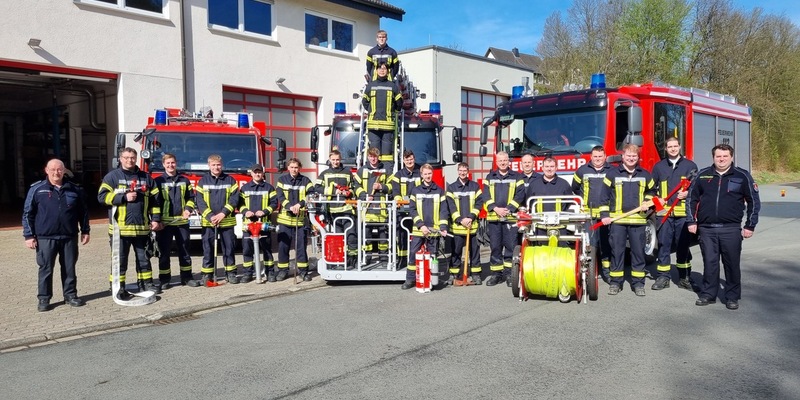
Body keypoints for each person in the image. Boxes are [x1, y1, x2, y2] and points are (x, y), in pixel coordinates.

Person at [687, 144, 760, 310]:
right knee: (710, 263)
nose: (721, 159)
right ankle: (708, 294)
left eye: (725, 156)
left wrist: (750, 225)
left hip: (731, 229)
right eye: (718, 156)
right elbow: (691, 199)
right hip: (707, 229)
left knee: (732, 264)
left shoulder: (742, 176)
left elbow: (754, 202)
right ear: (713, 157)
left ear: (732, 157)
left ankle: (732, 296)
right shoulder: (703, 175)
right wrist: (691, 221)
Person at [23, 159, 90, 311]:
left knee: (69, 268)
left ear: (64, 170)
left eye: (59, 169)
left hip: (69, 236)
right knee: (45, 269)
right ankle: (44, 299)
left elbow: (83, 212)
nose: (56, 172)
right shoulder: (37, 189)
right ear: (46, 170)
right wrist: (28, 235)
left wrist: (85, 230)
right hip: (45, 237)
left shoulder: (74, 189)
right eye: (52, 169)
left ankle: (70, 295)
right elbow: (28, 214)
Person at [98, 148, 162, 297]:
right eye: (126, 158)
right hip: (120, 230)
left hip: (142, 229)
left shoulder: (146, 178)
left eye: (132, 157)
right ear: (120, 159)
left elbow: (156, 202)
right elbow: (101, 197)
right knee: (120, 262)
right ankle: (117, 287)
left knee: (144, 260)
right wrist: (123, 198)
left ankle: (146, 285)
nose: (130, 160)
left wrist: (156, 219)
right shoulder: (112, 177)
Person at [600, 144, 656, 297]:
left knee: (638, 253)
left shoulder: (645, 174)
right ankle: (616, 282)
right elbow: (603, 197)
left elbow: (652, 191)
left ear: (638, 158)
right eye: (628, 156)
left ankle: (638, 284)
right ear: (623, 157)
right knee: (617, 252)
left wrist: (647, 200)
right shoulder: (612, 174)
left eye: (634, 156)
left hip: (638, 220)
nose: (631, 158)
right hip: (618, 221)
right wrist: (605, 215)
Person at [650, 137, 698, 291]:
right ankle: (663, 277)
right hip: (664, 214)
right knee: (663, 245)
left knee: (683, 245)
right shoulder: (658, 167)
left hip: (684, 214)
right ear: (665, 148)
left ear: (679, 147)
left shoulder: (690, 166)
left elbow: (698, 189)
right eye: (669, 146)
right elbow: (650, 190)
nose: (672, 149)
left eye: (675, 146)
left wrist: (688, 193)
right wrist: (658, 201)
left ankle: (684, 277)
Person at [154, 153, 200, 289]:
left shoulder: (184, 181)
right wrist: (157, 220)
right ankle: (164, 279)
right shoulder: (158, 181)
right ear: (163, 165)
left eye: (172, 162)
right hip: (165, 224)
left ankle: (186, 277)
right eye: (167, 163)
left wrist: (187, 209)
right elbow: (155, 202)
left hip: (182, 223)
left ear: (176, 163)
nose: (170, 165)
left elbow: (192, 198)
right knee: (164, 252)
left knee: (185, 251)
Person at [403, 163, 449, 290]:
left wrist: (443, 227)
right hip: (419, 230)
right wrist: (421, 225)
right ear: (421, 175)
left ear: (432, 174)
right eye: (425, 174)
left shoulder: (439, 191)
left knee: (432, 256)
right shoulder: (415, 191)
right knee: (413, 253)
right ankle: (410, 279)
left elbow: (443, 211)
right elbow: (412, 210)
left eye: (430, 174)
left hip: (433, 230)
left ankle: (432, 280)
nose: (428, 176)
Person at [196, 154, 241, 284]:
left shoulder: (230, 180)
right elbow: (199, 201)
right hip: (209, 223)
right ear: (209, 165)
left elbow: (234, 199)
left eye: (218, 165)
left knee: (229, 248)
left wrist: (223, 214)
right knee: (208, 249)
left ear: (222, 165)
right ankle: (207, 274)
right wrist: (211, 216)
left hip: (226, 221)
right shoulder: (203, 181)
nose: (216, 167)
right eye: (214, 165)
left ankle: (230, 272)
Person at [483, 151, 526, 286]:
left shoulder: (517, 177)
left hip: (510, 218)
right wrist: (496, 209)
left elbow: (520, 195)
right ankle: (496, 274)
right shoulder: (489, 177)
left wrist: (508, 209)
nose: (503, 163)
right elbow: (485, 195)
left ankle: (509, 274)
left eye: (505, 160)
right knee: (495, 246)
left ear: (509, 161)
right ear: (496, 162)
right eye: (500, 160)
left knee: (510, 246)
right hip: (494, 218)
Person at [572, 146, 613, 279]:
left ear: (605, 157)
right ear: (591, 157)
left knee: (606, 243)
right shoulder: (582, 170)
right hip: (588, 214)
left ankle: (606, 271)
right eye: (595, 156)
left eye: (600, 156)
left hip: (605, 214)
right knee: (590, 243)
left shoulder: (612, 170)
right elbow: (575, 188)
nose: (598, 159)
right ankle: (591, 270)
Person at [314, 150, 357, 269]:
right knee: (338, 236)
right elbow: (317, 188)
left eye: (337, 159)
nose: (335, 162)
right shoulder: (324, 173)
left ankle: (352, 260)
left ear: (340, 159)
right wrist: (333, 191)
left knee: (351, 235)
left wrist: (349, 192)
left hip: (348, 209)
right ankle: (340, 260)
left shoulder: (347, 173)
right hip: (333, 210)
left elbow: (354, 188)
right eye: (333, 160)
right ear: (330, 160)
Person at [276, 158, 314, 281]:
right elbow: (280, 196)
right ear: (288, 168)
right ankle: (283, 271)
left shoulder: (306, 180)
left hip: (300, 220)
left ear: (299, 168)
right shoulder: (282, 180)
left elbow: (311, 194)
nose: (294, 169)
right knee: (283, 247)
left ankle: (303, 271)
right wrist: (290, 206)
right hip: (285, 220)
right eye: (292, 167)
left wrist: (300, 204)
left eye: (296, 167)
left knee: (301, 247)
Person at [446, 162, 484, 285]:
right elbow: (451, 207)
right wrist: (460, 220)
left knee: (475, 252)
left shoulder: (475, 186)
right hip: (458, 227)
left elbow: (479, 203)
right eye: (460, 170)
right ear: (458, 171)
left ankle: (476, 274)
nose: (462, 173)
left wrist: (470, 217)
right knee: (456, 252)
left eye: (465, 171)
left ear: (468, 172)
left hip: (472, 227)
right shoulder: (451, 188)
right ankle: (454, 274)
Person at [240, 164, 278, 283]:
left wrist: (265, 211)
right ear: (251, 173)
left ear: (262, 173)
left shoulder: (269, 188)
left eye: (259, 172)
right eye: (255, 172)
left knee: (267, 250)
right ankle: (247, 273)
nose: (257, 174)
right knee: (247, 251)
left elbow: (274, 203)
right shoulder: (244, 188)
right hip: (248, 226)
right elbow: (239, 204)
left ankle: (269, 272)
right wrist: (246, 212)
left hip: (264, 225)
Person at [362, 63, 403, 167]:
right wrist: (372, 111)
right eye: (380, 68)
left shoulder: (393, 86)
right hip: (374, 126)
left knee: (387, 155)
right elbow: (365, 101)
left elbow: (399, 102)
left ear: (388, 71)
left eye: (384, 68)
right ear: (376, 70)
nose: (382, 70)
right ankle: (373, 177)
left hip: (387, 127)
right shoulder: (370, 86)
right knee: (374, 154)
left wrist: (394, 110)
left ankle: (386, 177)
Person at [353, 147, 390, 263]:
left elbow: (392, 187)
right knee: (367, 235)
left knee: (383, 236)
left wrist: (381, 187)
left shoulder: (385, 170)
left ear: (378, 157)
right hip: (367, 209)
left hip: (381, 209)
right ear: (368, 157)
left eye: (375, 156)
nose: (373, 159)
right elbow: (356, 186)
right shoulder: (361, 170)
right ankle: (367, 258)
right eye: (371, 156)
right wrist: (364, 195)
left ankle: (384, 258)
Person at [527, 157, 573, 245]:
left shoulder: (564, 184)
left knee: (561, 253)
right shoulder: (534, 184)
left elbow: (569, 202)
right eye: (547, 166)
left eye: (552, 166)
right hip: (540, 226)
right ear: (542, 168)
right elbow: (529, 202)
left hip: (560, 226)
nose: (549, 169)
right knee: (541, 254)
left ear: (556, 168)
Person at [387, 150, 420, 271]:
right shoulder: (398, 175)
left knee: (417, 235)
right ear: (403, 161)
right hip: (403, 211)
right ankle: (402, 259)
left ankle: (416, 258)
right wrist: (399, 200)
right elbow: (395, 191)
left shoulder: (420, 172)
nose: (409, 161)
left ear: (414, 159)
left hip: (418, 210)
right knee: (401, 235)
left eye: (411, 159)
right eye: (407, 160)